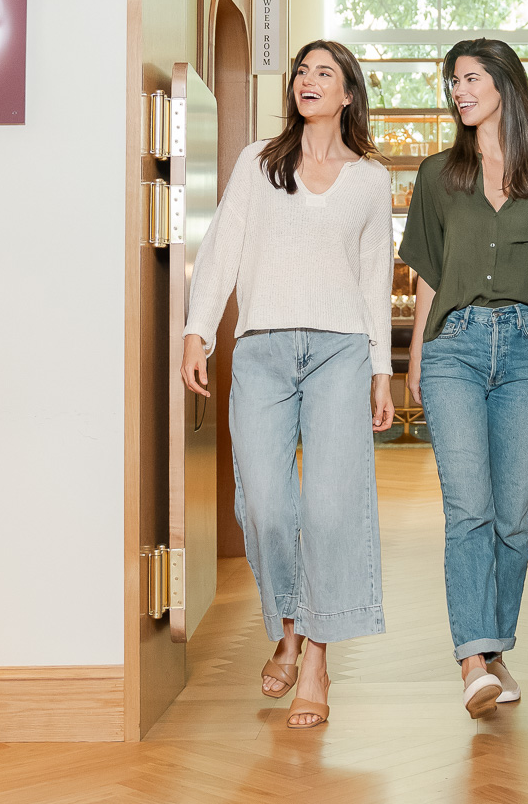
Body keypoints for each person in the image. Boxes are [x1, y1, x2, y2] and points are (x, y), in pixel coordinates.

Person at [182, 39, 395, 730]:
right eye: (302, 71)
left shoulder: (369, 179)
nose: (308, 80)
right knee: (267, 505)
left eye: (324, 73)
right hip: (263, 350)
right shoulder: (259, 164)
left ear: (348, 95)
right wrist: (198, 330)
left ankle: (315, 659)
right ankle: (290, 623)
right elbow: (221, 249)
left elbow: (374, 280)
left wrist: (380, 370)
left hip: (339, 351)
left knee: (332, 508)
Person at [399, 38, 528, 718]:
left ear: (505, 83)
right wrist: (415, 356)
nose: (459, 90)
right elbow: (427, 274)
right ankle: (472, 657)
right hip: (456, 351)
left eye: (471, 78)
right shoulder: (439, 172)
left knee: (514, 519)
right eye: (454, 81)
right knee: (468, 509)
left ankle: (495, 648)